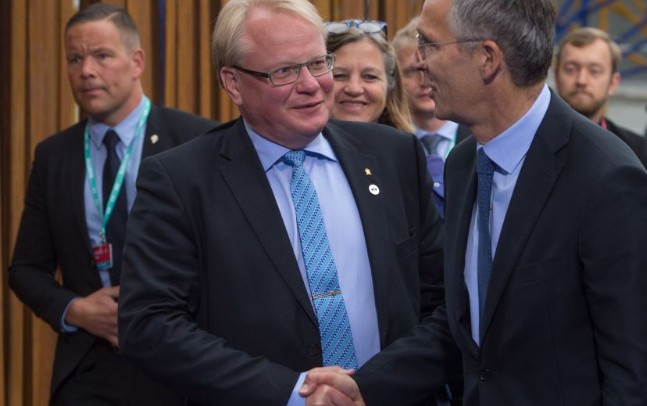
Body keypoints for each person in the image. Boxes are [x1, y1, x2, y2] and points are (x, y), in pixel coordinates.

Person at [301, 0, 647, 404]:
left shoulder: (607, 180)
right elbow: (467, 325)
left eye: (429, 44)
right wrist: (365, 386)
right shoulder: (464, 164)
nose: (418, 61)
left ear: (487, 58)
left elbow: (638, 381)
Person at [116, 0, 444, 404]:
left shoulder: (394, 156)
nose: (312, 84)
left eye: (318, 63)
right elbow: (149, 325)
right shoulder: (181, 181)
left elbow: (443, 302)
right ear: (233, 83)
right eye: (284, 71)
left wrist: (371, 387)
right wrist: (292, 393)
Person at [6, 3, 217, 404]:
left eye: (102, 55)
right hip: (92, 366)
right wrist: (76, 310)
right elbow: (25, 269)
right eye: (74, 58)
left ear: (136, 61)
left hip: (182, 365)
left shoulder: (196, 140)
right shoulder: (54, 155)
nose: (86, 70)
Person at [393, 16, 470, 216]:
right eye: (412, 70)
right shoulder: (389, 142)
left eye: (430, 67)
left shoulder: (479, 137)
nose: (424, 80)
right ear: (395, 77)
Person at [554, 27, 647, 172]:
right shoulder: (530, 141)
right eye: (571, 69)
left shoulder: (636, 151)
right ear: (556, 76)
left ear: (613, 83)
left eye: (594, 71)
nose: (581, 80)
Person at [325, 20, 414, 132]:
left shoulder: (409, 148)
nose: (354, 89)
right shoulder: (298, 147)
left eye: (370, 76)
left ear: (390, 86)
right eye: (339, 75)